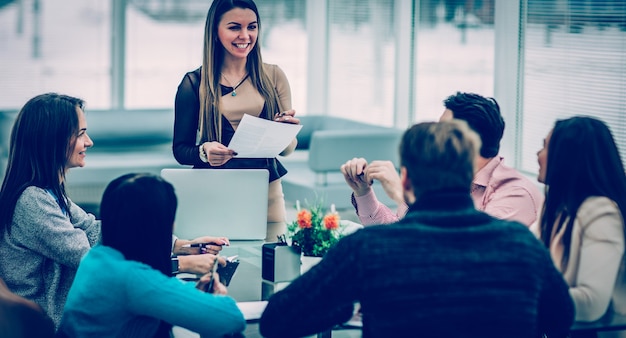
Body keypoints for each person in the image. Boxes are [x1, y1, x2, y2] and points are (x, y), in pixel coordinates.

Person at [260, 120, 574, 338]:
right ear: (469, 175)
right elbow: (562, 318)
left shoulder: (370, 249)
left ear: (406, 179)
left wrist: (344, 304)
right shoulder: (520, 244)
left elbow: (277, 320)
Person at [57, 173, 246, 337]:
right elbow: (231, 319)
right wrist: (216, 299)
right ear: (158, 226)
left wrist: (189, 297)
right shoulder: (132, 279)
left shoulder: (97, 257)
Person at [173, 0, 300, 242]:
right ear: (215, 31)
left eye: (252, 27)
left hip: (267, 192)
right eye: (234, 27)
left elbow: (288, 150)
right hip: (213, 192)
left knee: (271, 263)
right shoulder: (193, 83)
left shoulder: (273, 76)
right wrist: (204, 151)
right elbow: (180, 150)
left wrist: (284, 132)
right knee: (217, 266)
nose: (245, 35)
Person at [342, 91, 543, 227]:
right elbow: (401, 234)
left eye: (443, 130)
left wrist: (405, 195)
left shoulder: (516, 193)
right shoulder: (437, 175)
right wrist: (364, 192)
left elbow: (465, 249)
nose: (435, 136)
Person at [0, 93, 101, 329]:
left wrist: (175, 245)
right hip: (52, 325)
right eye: (80, 134)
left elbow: (92, 228)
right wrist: (175, 264)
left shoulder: (48, 193)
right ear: (52, 141)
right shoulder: (32, 201)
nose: (89, 142)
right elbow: (88, 257)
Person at [533, 116, 626, 327]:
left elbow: (591, 303)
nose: (538, 155)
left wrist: (522, 295)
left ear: (566, 158)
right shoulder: (557, 207)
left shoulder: (602, 213)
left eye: (546, 147)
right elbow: (524, 252)